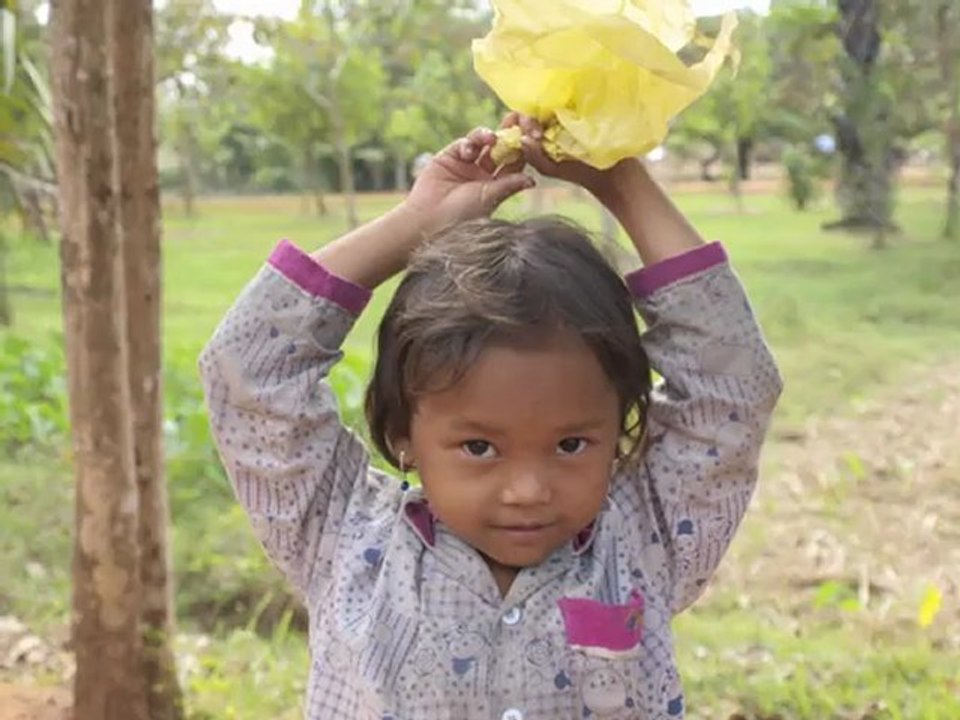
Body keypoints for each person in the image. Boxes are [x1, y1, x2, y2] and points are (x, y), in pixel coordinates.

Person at [200, 113, 783, 720]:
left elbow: (732, 386)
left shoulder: (647, 538)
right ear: (404, 433)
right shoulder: (341, 534)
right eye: (479, 447)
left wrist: (622, 185)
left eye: (571, 445)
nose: (528, 490)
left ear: (619, 429)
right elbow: (249, 369)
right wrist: (412, 227)